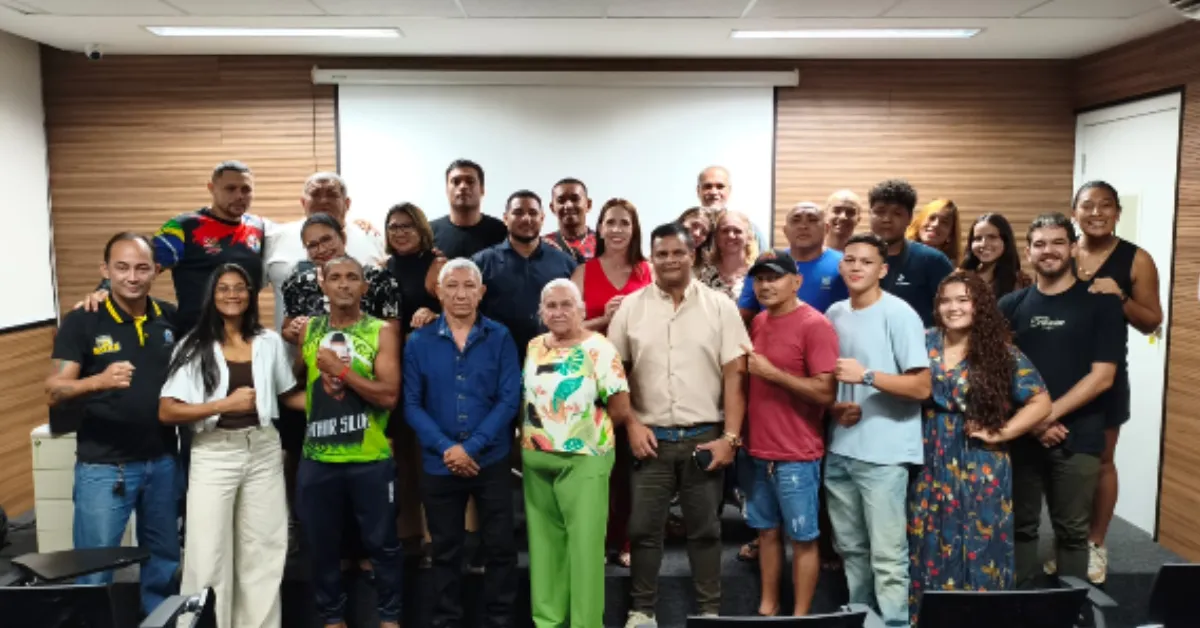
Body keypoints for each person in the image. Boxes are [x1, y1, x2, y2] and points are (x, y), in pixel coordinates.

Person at [607, 222, 750, 628]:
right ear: (651, 258)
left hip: (704, 438)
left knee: (705, 531)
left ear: (694, 256)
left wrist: (730, 439)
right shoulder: (631, 308)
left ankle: (709, 611)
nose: (670, 260)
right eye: (662, 253)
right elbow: (616, 378)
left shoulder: (719, 306)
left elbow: (735, 377)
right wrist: (630, 424)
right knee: (643, 530)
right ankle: (642, 611)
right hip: (648, 439)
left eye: (678, 253)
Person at [159, 263, 304, 628]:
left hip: (263, 449)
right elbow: (168, 410)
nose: (233, 294)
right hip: (214, 452)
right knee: (207, 552)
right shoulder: (193, 345)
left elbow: (289, 396)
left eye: (240, 288)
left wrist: (338, 397)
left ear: (251, 295)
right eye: (224, 288)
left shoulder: (269, 342)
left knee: (264, 548)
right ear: (212, 295)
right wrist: (222, 405)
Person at [44, 232, 180, 616]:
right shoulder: (83, 320)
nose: (132, 277)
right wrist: (97, 381)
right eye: (121, 268)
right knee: (94, 567)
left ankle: (159, 622)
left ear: (156, 270)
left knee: (164, 561)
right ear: (105, 271)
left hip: (163, 460)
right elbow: (54, 390)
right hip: (104, 467)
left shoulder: (168, 317)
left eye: (141, 268)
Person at [907, 273, 1051, 625]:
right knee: (927, 536)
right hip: (929, 451)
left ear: (980, 305)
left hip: (980, 460)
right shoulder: (922, 342)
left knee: (981, 538)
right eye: (945, 300)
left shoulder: (999, 350)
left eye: (963, 299)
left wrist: (1002, 432)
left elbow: (1041, 401)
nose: (953, 307)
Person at [997, 212, 1125, 589]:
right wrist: (1032, 421)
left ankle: (1072, 613)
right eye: (1039, 244)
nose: (1048, 251)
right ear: (1028, 251)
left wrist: (1044, 417)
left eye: (1056, 243)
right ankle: (1016, 605)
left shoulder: (1101, 303)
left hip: (1079, 433)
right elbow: (998, 373)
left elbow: (1102, 376)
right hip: (1022, 434)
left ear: (1072, 248)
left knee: (1072, 532)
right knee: (1020, 526)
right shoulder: (1010, 305)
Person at [403, 258, 521, 628]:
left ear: (481, 292)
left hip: (492, 460)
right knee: (444, 550)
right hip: (440, 463)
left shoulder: (500, 336)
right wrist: (447, 448)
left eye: (469, 285)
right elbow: (411, 404)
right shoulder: (418, 341)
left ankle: (500, 620)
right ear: (438, 292)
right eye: (451, 285)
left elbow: (508, 400)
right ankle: (446, 621)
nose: (460, 293)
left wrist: (472, 447)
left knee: (500, 548)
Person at [823, 232, 931, 626]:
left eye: (866, 261)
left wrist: (867, 376)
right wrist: (835, 408)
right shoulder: (834, 313)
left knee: (887, 556)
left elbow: (921, 386)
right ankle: (862, 619)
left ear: (882, 270)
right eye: (849, 259)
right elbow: (832, 383)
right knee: (851, 550)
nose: (856, 267)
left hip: (884, 456)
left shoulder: (899, 314)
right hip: (842, 450)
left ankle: (895, 623)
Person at [295, 255, 404, 628]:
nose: (343, 284)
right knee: (323, 546)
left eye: (352, 278)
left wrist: (341, 370)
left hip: (369, 458)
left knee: (383, 544)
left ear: (364, 287)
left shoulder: (381, 331)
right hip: (318, 458)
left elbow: (389, 395)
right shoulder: (309, 330)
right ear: (322, 285)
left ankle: (390, 618)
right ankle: (332, 618)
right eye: (335, 277)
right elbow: (301, 386)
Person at [522, 278, 634, 628]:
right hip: (537, 458)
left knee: (585, 551)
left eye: (566, 304)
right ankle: (548, 622)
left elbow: (620, 408)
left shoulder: (600, 349)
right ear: (541, 312)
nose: (558, 312)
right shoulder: (534, 346)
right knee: (544, 550)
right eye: (551, 305)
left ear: (582, 310)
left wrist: (584, 435)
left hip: (585, 459)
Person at [1070, 181, 1163, 585]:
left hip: (1106, 375)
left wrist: (1120, 296)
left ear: (1117, 213)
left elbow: (1152, 321)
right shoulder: (1062, 250)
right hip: (1058, 375)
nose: (1095, 213)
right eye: (1087, 206)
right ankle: (1068, 545)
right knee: (1061, 464)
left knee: (1102, 462)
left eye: (1104, 206)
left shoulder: (1136, 259)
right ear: (1074, 212)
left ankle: (1095, 544)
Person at [740, 250, 839, 617]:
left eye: (774, 277)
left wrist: (773, 374)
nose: (765, 285)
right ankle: (769, 608)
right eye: (760, 278)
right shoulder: (759, 323)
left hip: (797, 454)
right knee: (766, 533)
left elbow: (826, 393)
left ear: (796, 282)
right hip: (757, 451)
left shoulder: (815, 325)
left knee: (803, 539)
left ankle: (800, 616)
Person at [570, 197, 651, 568]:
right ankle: (599, 538)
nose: (617, 229)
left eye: (624, 223)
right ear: (598, 228)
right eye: (610, 222)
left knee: (636, 467)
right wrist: (605, 318)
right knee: (598, 465)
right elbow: (566, 331)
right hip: (592, 383)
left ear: (634, 229)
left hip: (643, 380)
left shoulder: (649, 270)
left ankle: (629, 540)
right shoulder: (583, 273)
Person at [381, 201, 445, 561]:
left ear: (421, 228)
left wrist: (434, 313)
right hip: (392, 373)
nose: (401, 232)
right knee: (401, 459)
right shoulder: (382, 269)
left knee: (428, 457)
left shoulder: (438, 265)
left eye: (407, 225)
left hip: (430, 374)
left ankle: (440, 536)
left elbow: (462, 310)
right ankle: (409, 536)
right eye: (394, 226)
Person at [473, 189, 578, 364]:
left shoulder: (565, 264)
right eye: (518, 212)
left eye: (533, 213)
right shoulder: (482, 263)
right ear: (505, 218)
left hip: (552, 361)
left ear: (542, 218)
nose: (526, 219)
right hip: (494, 360)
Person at [280, 212, 402, 341]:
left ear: (343, 237)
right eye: (312, 245)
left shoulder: (378, 279)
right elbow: (286, 330)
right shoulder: (298, 284)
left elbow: (392, 332)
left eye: (326, 240)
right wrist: (294, 330)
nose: (321, 249)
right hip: (315, 359)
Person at [739, 201, 848, 322]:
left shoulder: (845, 264)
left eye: (812, 220)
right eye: (796, 220)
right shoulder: (765, 264)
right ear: (785, 230)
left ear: (826, 228)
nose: (803, 226)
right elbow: (745, 316)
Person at [866, 179, 955, 326]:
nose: (887, 219)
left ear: (910, 218)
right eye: (880, 211)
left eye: (897, 213)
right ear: (870, 214)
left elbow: (953, 314)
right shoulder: (852, 260)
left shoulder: (932, 261)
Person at [431, 159, 508, 259]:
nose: (463, 186)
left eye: (470, 181)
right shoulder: (428, 233)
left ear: (482, 189)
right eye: (456, 182)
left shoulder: (502, 232)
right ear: (446, 190)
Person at [695, 165, 769, 252]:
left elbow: (765, 262)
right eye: (708, 186)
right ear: (698, 191)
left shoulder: (749, 229)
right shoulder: (685, 230)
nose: (714, 192)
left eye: (720, 186)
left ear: (729, 190)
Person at [959, 213, 1031, 299]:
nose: (984, 244)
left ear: (1005, 241)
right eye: (978, 238)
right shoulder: (959, 277)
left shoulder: (1021, 282)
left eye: (992, 237)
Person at [697, 210, 756, 300]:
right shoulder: (702, 275)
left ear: (749, 237)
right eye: (725, 231)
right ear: (716, 237)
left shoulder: (757, 274)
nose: (731, 236)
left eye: (737, 231)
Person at [544, 177, 597, 264]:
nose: (568, 205)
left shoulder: (604, 244)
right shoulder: (543, 246)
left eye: (575, 199)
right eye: (561, 200)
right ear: (552, 207)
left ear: (588, 204)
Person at [906, 199, 961, 266]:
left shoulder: (952, 269)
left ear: (950, 234)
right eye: (932, 218)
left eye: (944, 222)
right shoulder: (897, 254)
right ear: (920, 221)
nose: (936, 224)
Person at [677, 206, 714, 273]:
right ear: (683, 221)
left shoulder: (704, 272)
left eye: (704, 232)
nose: (697, 233)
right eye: (694, 225)